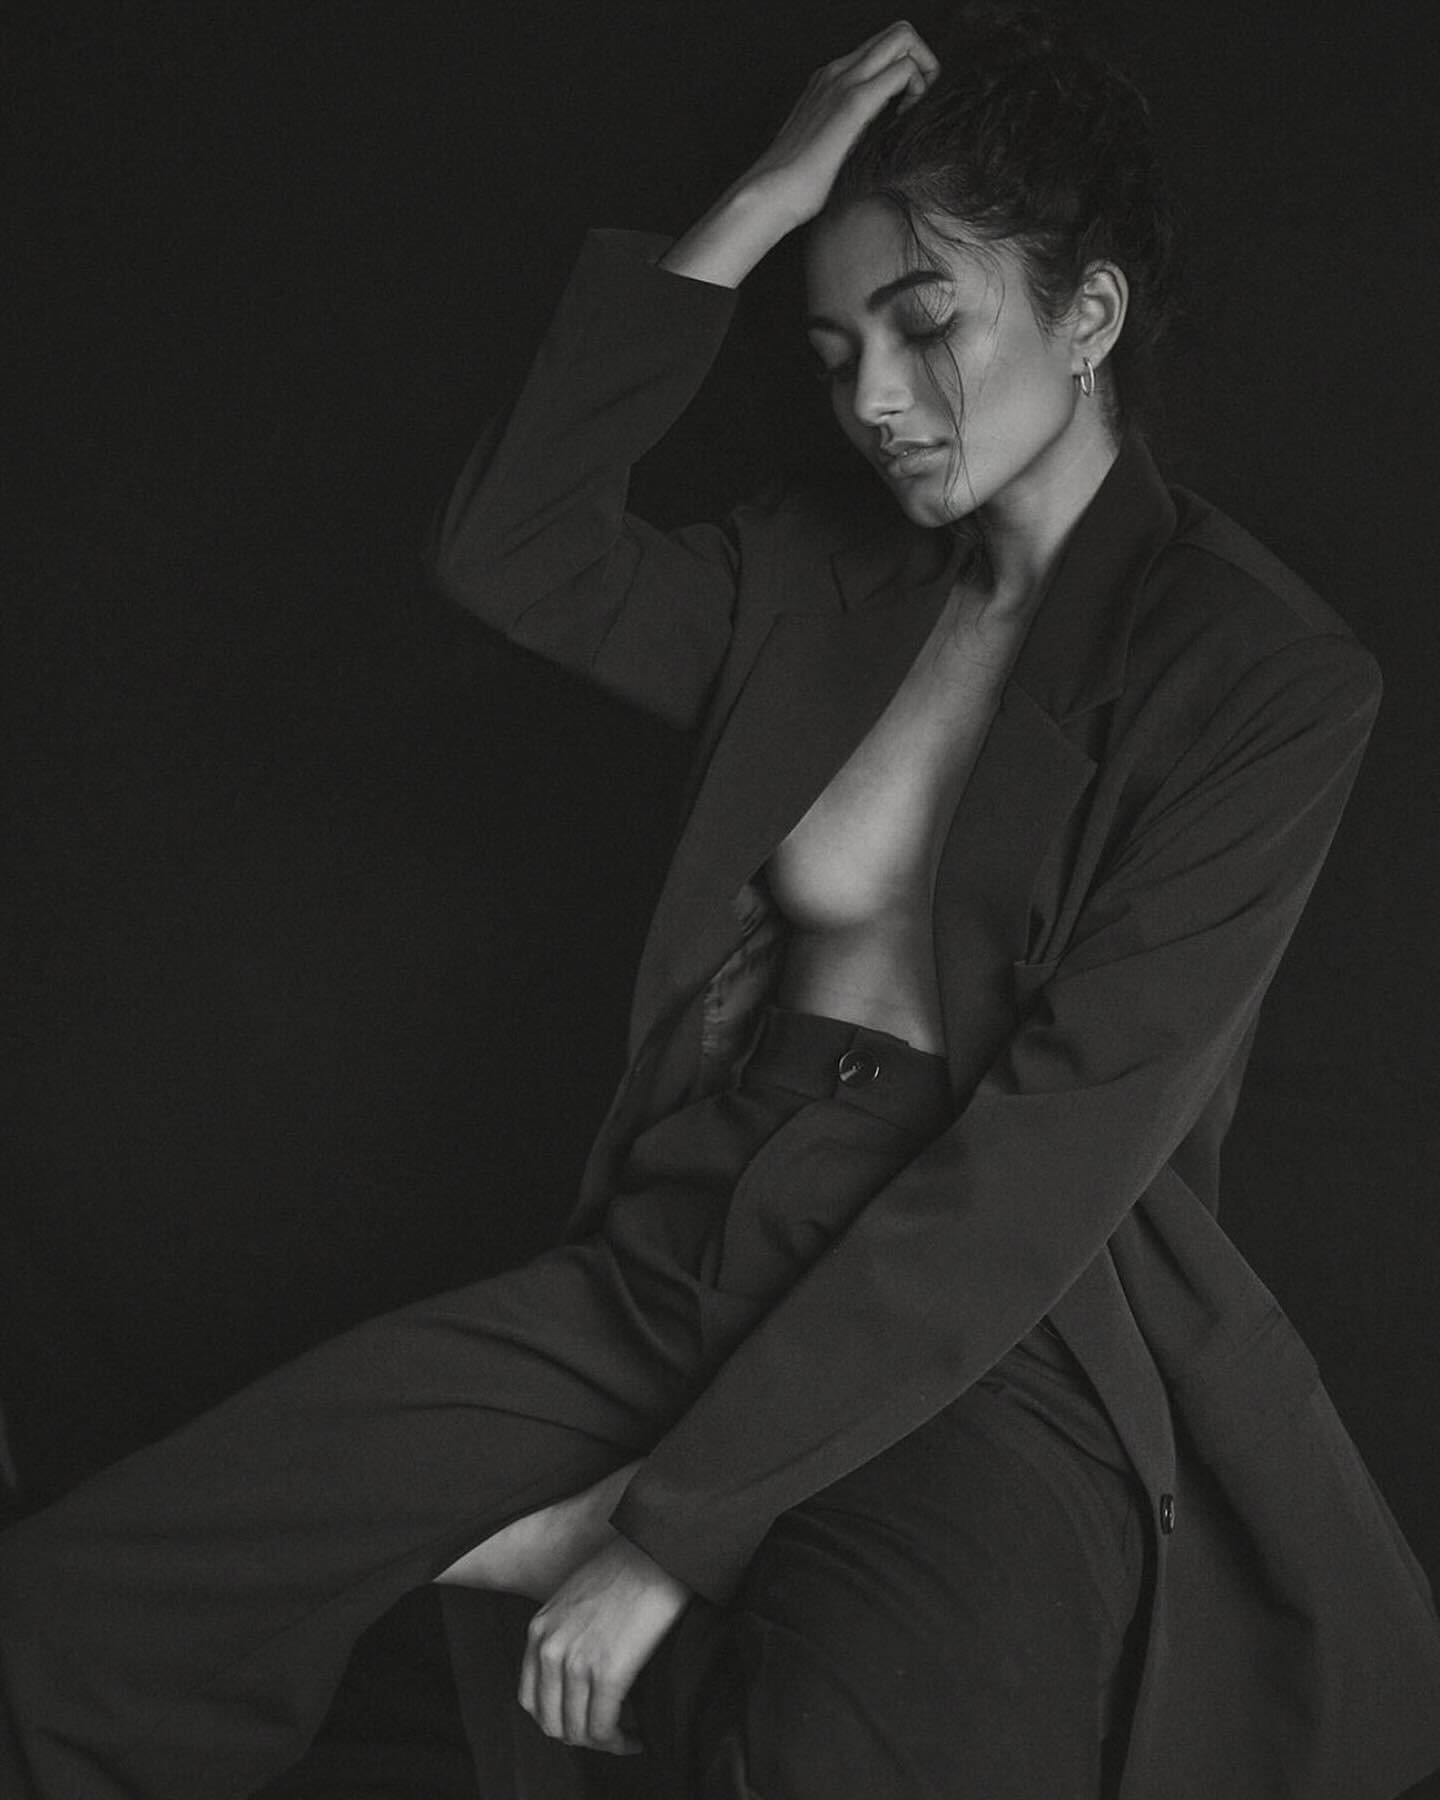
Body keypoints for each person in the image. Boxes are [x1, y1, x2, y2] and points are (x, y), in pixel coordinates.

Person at [2, 7, 1439, 1797]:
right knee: (85, 1614)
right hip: (693, 1238)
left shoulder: (1262, 675)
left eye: (926, 325)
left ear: (1089, 316)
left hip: (998, 1331)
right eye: (834, 353)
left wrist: (666, 1534)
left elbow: (1051, 1155)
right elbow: (514, 548)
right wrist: (757, 204)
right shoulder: (817, 570)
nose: (875, 401)